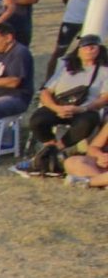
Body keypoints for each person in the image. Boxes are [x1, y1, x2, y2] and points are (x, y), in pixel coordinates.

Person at [18, 34, 106, 178]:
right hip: (59, 106)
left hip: (85, 109)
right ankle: (51, 147)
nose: (89, 50)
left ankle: (57, 148)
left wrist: (83, 108)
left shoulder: (104, 71)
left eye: (93, 47)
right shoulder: (66, 68)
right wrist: (55, 108)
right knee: (37, 120)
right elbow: (46, 91)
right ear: (79, 50)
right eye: (85, 47)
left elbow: (104, 98)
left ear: (99, 49)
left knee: (86, 122)